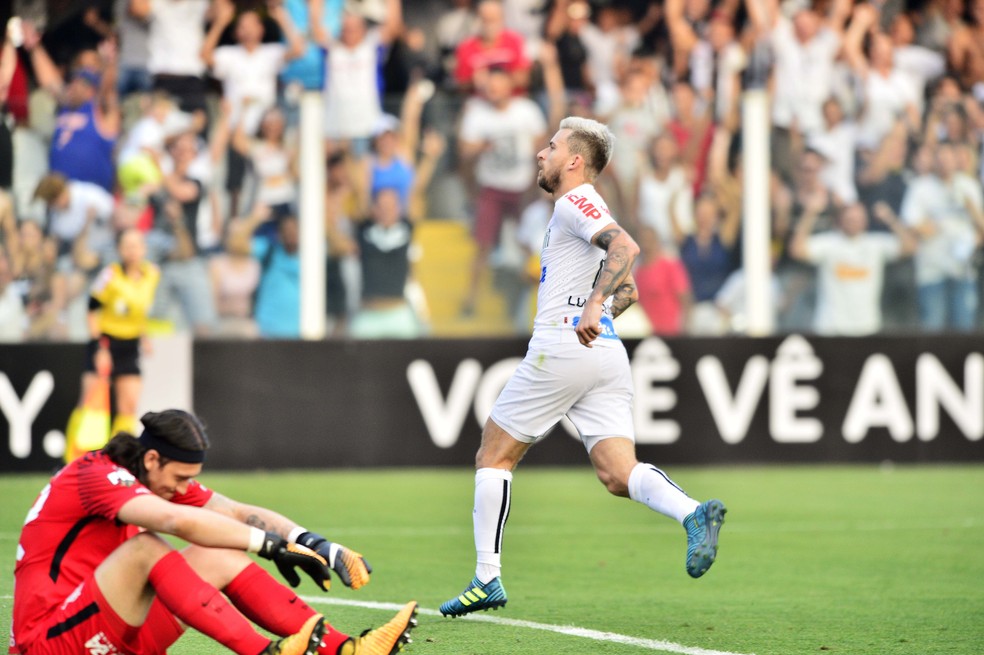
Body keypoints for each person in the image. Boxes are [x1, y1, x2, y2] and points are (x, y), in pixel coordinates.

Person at [439, 117, 726, 618]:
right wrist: (601, 312)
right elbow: (630, 288)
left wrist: (590, 307)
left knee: (494, 455)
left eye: (550, 147)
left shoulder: (577, 201)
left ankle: (487, 577)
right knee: (617, 473)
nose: (539, 153)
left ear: (574, 160)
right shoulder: (582, 211)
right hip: (605, 353)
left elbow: (627, 249)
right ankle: (692, 513)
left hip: (562, 345)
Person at [11, 408, 419, 655]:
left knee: (222, 553)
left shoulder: (148, 475)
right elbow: (175, 521)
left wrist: (315, 544)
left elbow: (234, 512)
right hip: (49, 642)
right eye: (182, 477)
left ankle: (347, 649)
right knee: (146, 548)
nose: (185, 489)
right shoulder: (95, 475)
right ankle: (262, 652)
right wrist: (271, 547)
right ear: (151, 459)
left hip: (107, 629)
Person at [66, 228, 159, 451]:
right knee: (91, 403)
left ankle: (120, 460)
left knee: (129, 405)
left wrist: (144, 336)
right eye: (127, 246)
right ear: (120, 250)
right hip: (106, 342)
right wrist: (100, 347)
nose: (132, 251)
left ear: (144, 249)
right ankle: (76, 457)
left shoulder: (152, 274)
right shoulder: (110, 275)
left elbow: (140, 311)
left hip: (130, 343)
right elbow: (92, 310)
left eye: (136, 246)